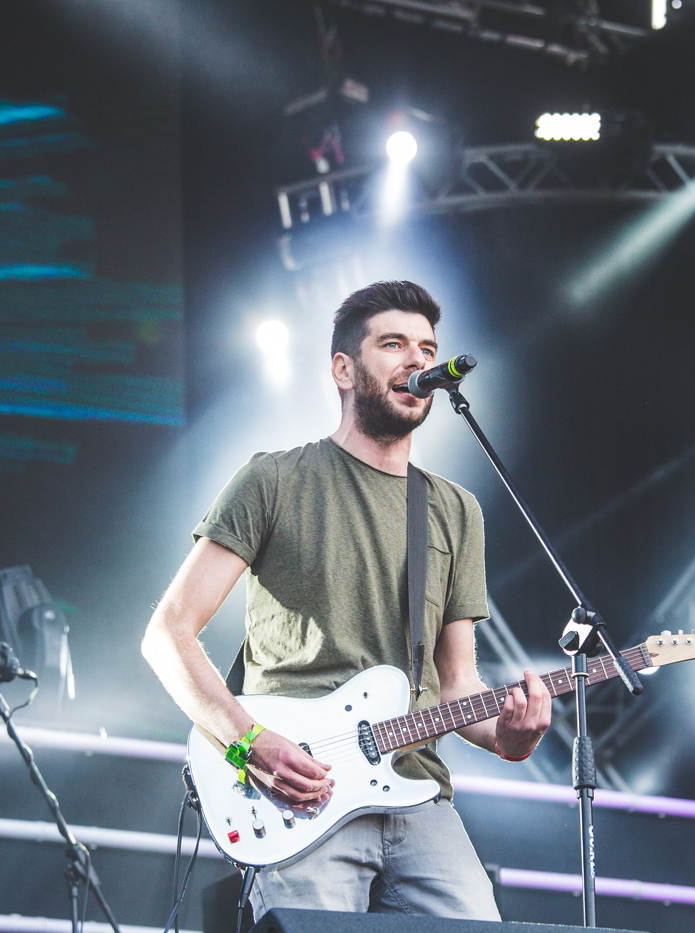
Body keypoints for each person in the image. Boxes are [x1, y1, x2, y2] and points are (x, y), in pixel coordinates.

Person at [141, 280, 551, 920]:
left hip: (417, 791)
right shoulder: (274, 479)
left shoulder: (455, 510)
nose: (417, 360)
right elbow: (167, 634)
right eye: (393, 344)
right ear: (343, 369)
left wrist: (509, 737)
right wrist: (246, 743)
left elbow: (456, 684)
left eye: (427, 348)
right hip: (301, 793)